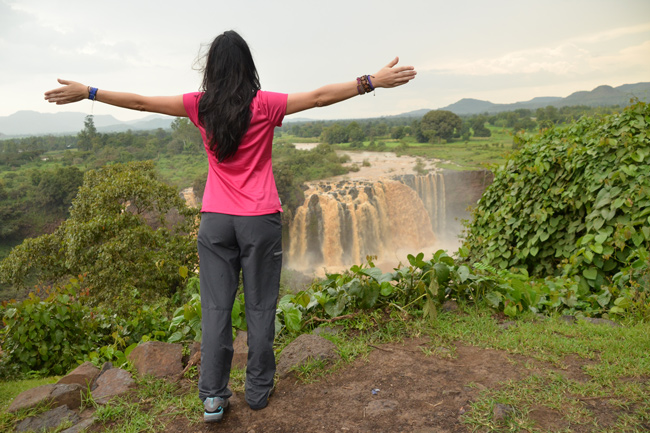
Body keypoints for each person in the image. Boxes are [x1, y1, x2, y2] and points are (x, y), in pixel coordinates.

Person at [44, 30, 416, 423]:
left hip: (216, 222)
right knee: (260, 307)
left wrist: (89, 91)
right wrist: (371, 81)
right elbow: (320, 97)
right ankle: (257, 392)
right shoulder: (266, 104)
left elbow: (139, 102)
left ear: (212, 70)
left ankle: (213, 399)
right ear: (248, 67)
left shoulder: (198, 106)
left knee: (216, 310)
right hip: (260, 221)